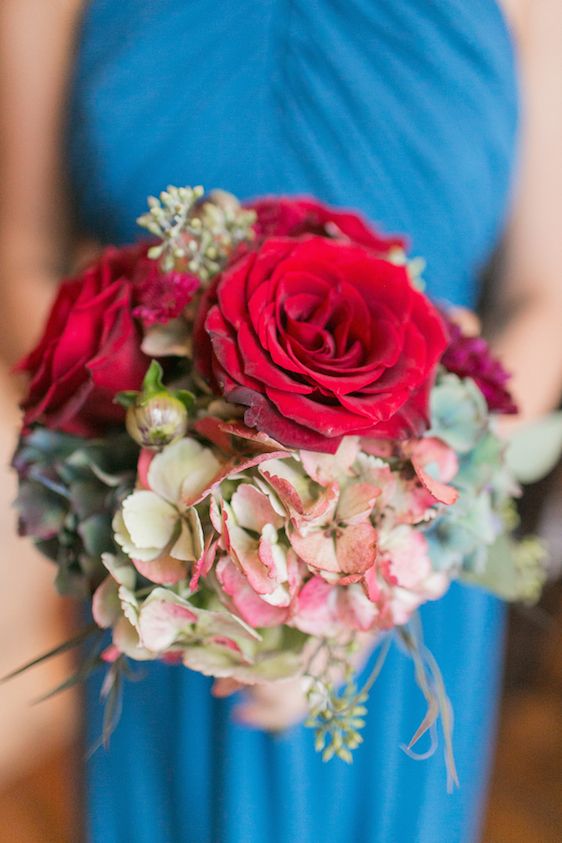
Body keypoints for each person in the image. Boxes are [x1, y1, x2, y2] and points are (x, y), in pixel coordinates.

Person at [1, 1, 561, 841]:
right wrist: (177, 472)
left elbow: (542, 299)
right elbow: (20, 250)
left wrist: (379, 553)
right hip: (159, 550)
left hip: (411, 571)